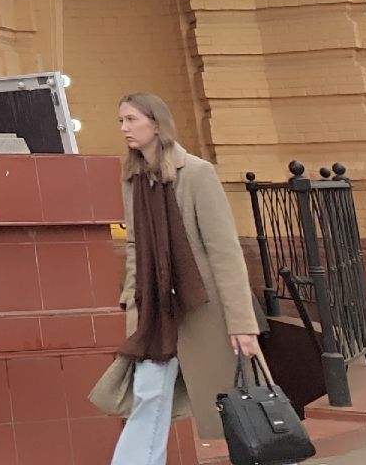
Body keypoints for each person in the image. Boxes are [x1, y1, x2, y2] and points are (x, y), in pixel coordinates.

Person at [91, 93, 260, 464]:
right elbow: (135, 246)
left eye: (132, 119)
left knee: (237, 403)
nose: (124, 128)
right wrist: (133, 302)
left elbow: (224, 251)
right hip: (155, 312)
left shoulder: (197, 173)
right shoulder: (133, 180)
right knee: (147, 395)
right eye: (121, 121)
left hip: (202, 309)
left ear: (156, 124)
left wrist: (242, 323)